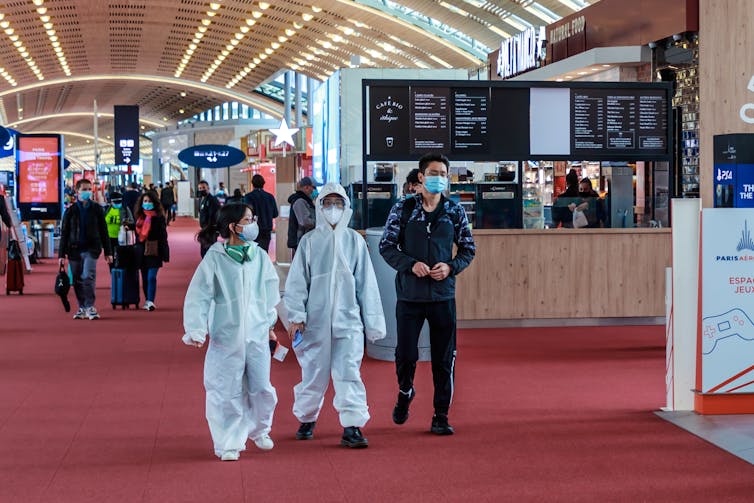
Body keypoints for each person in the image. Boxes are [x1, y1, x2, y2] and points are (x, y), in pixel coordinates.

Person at [379, 153, 476, 436]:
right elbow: (386, 247)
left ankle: (441, 414)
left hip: (443, 297)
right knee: (406, 354)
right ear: (421, 177)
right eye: (434, 173)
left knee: (444, 358)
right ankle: (405, 391)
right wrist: (410, 264)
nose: (439, 178)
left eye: (443, 173)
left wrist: (451, 266)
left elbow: (468, 249)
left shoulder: (454, 211)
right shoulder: (403, 209)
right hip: (410, 296)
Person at [284, 182, 386, 448]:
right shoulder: (309, 242)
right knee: (313, 374)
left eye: (338, 203)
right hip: (314, 323)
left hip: (348, 321)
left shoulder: (354, 241)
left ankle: (352, 426)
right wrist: (295, 316)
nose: (333, 209)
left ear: (346, 207)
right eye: (327, 203)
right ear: (319, 207)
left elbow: (367, 284)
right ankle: (306, 418)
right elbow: (297, 283)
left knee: (349, 372)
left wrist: (372, 323)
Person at [183, 203, 280, 461]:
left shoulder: (258, 256)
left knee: (261, 387)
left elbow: (269, 293)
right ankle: (228, 442)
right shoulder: (216, 258)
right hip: (227, 335)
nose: (253, 224)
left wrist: (270, 325)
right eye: (248, 220)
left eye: (252, 218)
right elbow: (199, 295)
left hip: (257, 333)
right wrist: (196, 329)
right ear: (233, 227)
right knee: (225, 390)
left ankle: (260, 429)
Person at [59, 179, 113, 320]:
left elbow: (103, 231)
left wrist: (108, 252)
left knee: (88, 276)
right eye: (84, 189)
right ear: (77, 192)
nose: (87, 192)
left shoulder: (97, 209)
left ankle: (90, 306)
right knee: (76, 279)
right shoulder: (70, 211)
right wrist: (61, 254)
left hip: (92, 248)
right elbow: (64, 233)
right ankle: (81, 307)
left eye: (89, 189)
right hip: (74, 249)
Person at [134, 190, 170, 311]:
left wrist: (165, 253)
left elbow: (163, 236)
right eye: (145, 201)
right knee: (144, 277)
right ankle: (147, 300)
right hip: (141, 250)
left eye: (149, 201)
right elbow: (137, 233)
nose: (147, 203)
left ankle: (150, 300)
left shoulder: (159, 217)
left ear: (154, 203)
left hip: (155, 250)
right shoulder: (139, 217)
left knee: (151, 277)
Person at [244, 174, 279, 252]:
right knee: (264, 252)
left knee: (253, 253)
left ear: (252, 184)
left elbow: (247, 214)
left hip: (253, 229)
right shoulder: (270, 197)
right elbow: (275, 214)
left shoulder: (248, 197)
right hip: (267, 229)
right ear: (263, 183)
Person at [103, 191, 135, 270]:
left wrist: (126, 224)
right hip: (109, 238)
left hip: (121, 238)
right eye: (115, 202)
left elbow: (131, 221)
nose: (118, 203)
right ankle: (114, 276)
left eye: (119, 202)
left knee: (121, 259)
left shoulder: (125, 209)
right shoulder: (106, 209)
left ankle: (121, 276)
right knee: (111, 259)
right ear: (111, 202)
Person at [286, 177, 316, 257]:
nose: (314, 191)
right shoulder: (300, 201)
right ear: (306, 187)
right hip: (300, 240)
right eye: (313, 188)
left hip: (303, 239)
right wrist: (319, 222)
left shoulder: (306, 200)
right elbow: (305, 221)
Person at [197, 180, 221, 257]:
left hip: (211, 230)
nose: (201, 190)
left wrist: (211, 228)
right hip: (204, 229)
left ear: (208, 188)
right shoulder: (202, 200)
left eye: (203, 187)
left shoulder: (213, 200)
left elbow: (214, 216)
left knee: (209, 251)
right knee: (204, 251)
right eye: (200, 188)